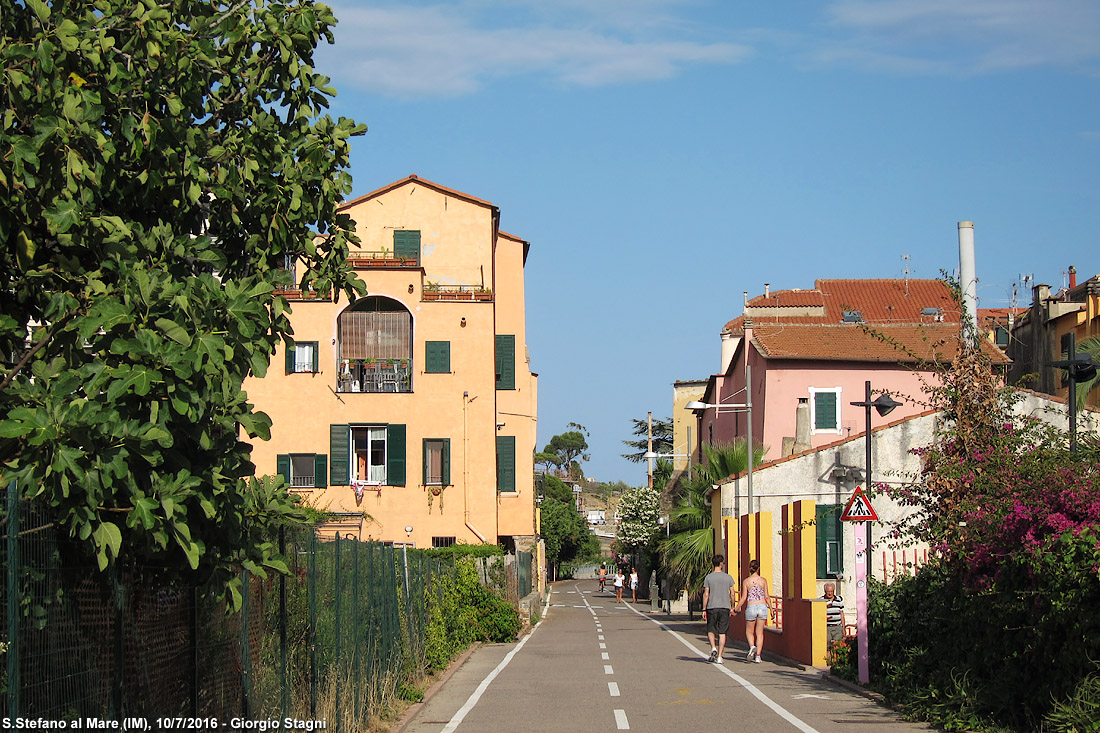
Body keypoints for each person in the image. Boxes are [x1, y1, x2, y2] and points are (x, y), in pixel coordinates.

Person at [734, 558, 772, 663]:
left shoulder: (746, 581)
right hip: (762, 606)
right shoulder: (763, 581)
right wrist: (772, 609)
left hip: (751, 607)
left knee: (749, 631)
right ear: (758, 568)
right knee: (759, 633)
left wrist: (736, 608)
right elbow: (767, 596)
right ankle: (758, 656)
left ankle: (752, 646)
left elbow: (743, 598)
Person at [701, 555, 736, 664]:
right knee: (722, 632)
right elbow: (733, 593)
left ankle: (713, 648)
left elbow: (706, 594)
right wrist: (732, 606)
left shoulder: (709, 578)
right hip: (725, 607)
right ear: (721, 564)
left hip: (712, 607)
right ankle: (720, 656)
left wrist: (703, 609)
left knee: (711, 629)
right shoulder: (728, 577)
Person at [822, 582, 845, 652]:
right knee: (827, 645)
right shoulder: (822, 600)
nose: (830, 593)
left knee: (837, 644)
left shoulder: (839, 600)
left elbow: (842, 614)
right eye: (828, 591)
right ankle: (829, 661)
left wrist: (843, 627)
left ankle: (835, 661)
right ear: (825, 591)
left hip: (837, 627)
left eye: (831, 591)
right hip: (827, 627)